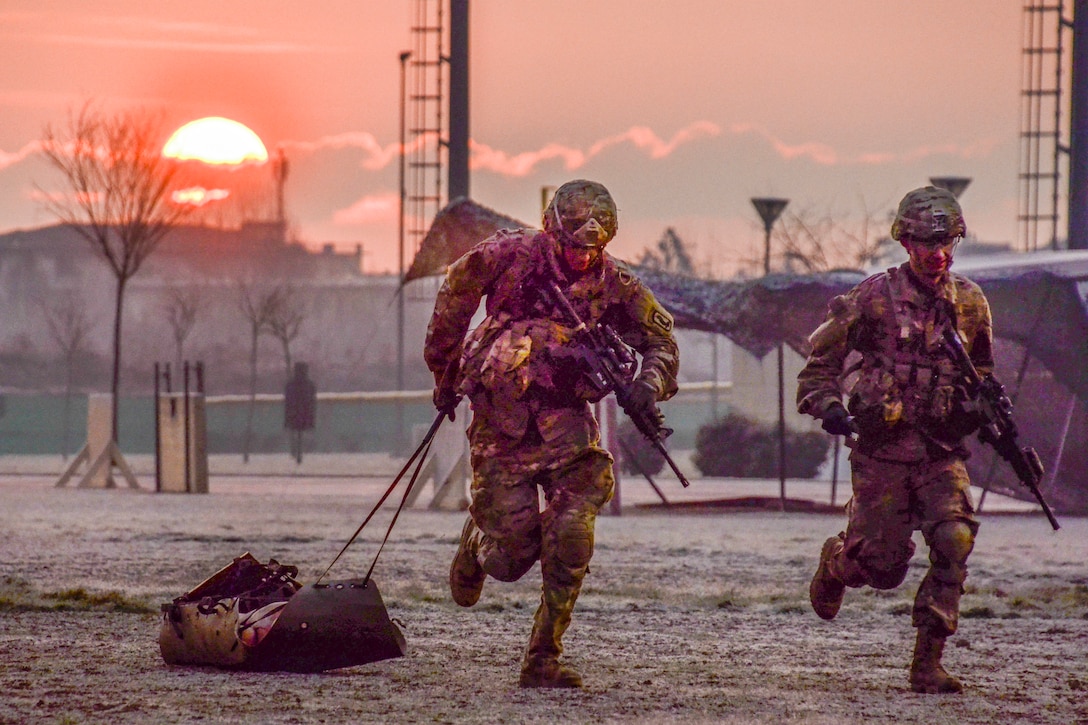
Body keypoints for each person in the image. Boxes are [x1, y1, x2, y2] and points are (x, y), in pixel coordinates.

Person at [424, 179, 679, 688]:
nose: (584, 257)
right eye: (574, 245)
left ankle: (543, 657)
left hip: (568, 430)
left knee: (572, 537)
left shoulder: (615, 284)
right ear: (553, 230)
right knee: (511, 558)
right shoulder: (509, 254)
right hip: (504, 427)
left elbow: (660, 339)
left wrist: (648, 387)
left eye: (595, 248)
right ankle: (477, 542)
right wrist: (446, 374)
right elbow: (453, 298)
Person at [796, 186, 993, 694]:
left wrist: (984, 413)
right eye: (929, 241)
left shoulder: (970, 303)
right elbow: (818, 366)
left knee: (954, 538)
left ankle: (928, 662)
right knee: (882, 568)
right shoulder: (871, 298)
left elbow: (983, 374)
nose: (939, 252)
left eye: (949, 241)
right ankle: (838, 564)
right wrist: (831, 407)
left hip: (940, 452)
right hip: (882, 452)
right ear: (906, 242)